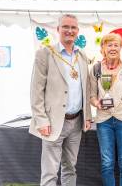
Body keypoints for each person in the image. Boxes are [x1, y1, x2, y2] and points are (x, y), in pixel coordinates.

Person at [29, 14, 92, 186]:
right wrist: (41, 119)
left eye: (73, 28)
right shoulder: (45, 54)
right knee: (50, 171)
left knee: (70, 167)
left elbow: (85, 88)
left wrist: (87, 116)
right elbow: (36, 91)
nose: (69, 31)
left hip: (76, 121)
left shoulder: (82, 57)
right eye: (65, 27)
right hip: (53, 122)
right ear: (58, 29)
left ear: (77, 31)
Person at [90, 33, 122, 186]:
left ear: (120, 48)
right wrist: (97, 103)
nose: (113, 48)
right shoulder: (96, 69)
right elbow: (92, 95)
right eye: (109, 45)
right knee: (107, 162)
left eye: (116, 45)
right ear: (103, 48)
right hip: (104, 120)